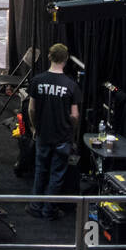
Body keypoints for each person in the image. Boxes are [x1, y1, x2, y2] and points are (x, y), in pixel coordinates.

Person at [28, 43, 82, 220]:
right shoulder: (71, 85)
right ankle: (49, 210)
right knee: (57, 174)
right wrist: (71, 131)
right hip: (62, 137)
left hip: (43, 133)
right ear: (66, 60)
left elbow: (31, 109)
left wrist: (35, 127)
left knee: (40, 170)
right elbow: (74, 115)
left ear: (49, 57)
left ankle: (35, 206)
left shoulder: (37, 80)